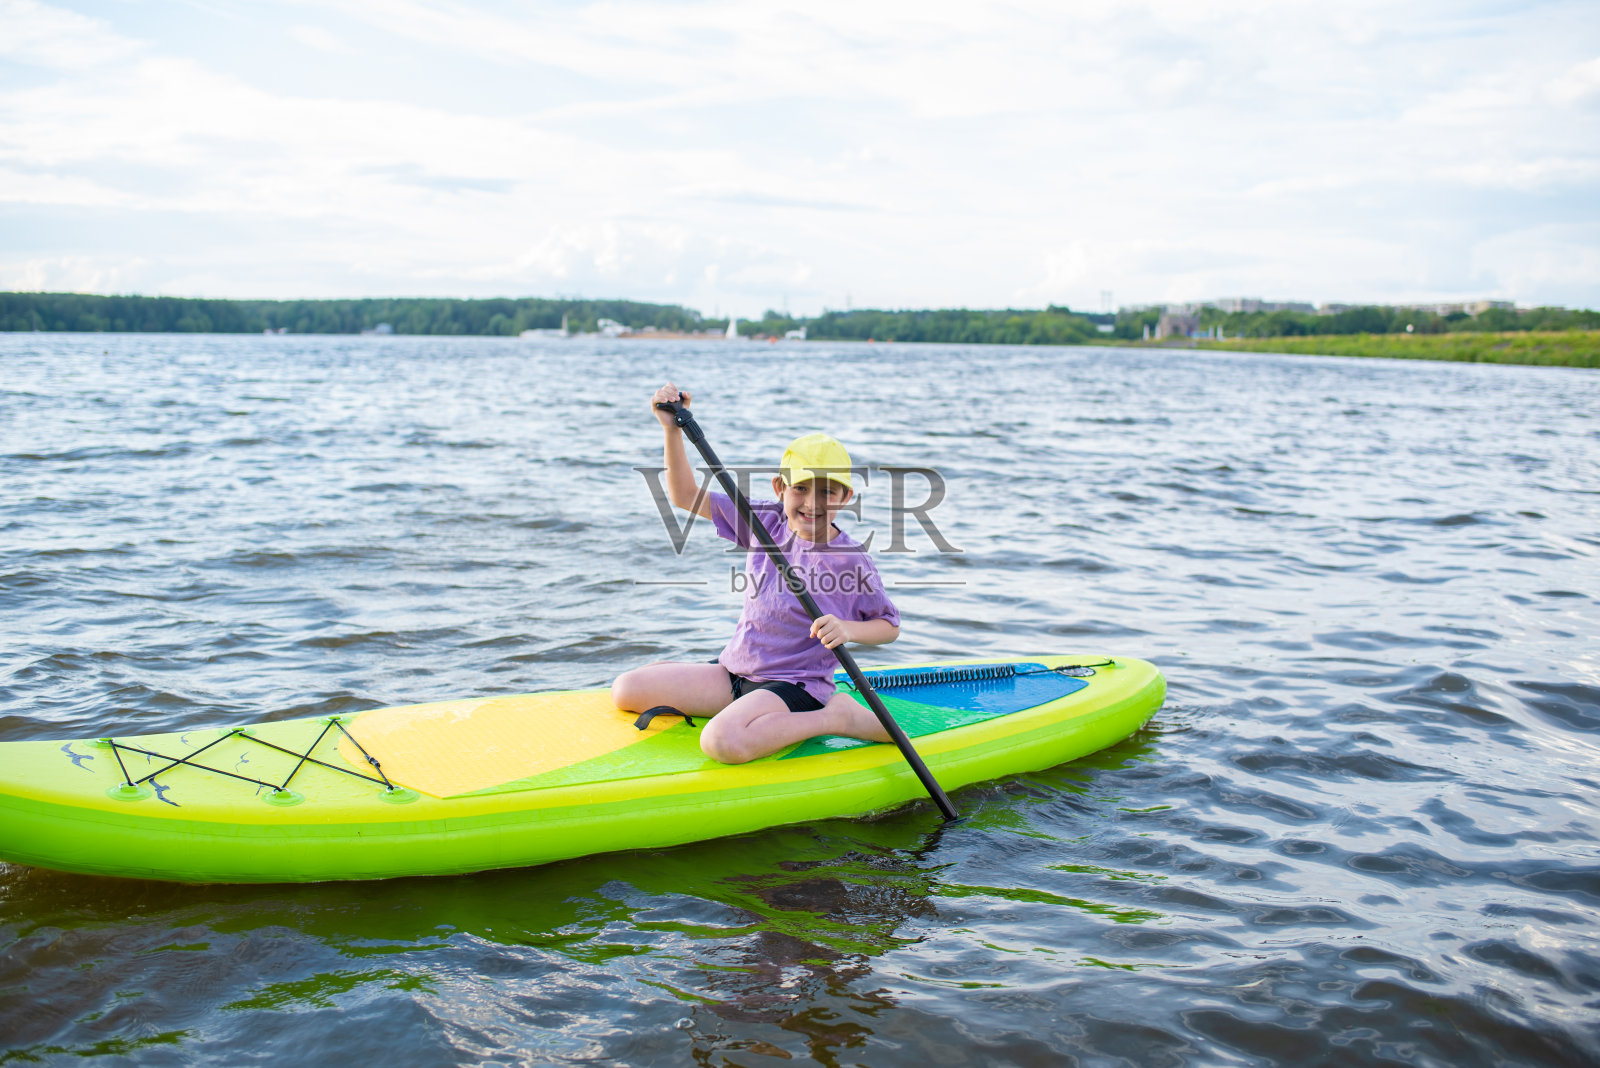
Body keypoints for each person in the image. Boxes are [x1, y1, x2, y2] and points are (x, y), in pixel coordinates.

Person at [611, 382, 900, 764]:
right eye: (800, 489)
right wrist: (670, 428)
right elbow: (684, 495)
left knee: (721, 743)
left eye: (828, 492)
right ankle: (742, 706)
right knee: (626, 689)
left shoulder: (848, 558)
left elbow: (888, 624)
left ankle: (835, 717)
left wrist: (848, 630)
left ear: (845, 497)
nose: (812, 503)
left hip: (795, 685)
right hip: (734, 673)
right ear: (780, 488)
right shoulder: (763, 520)